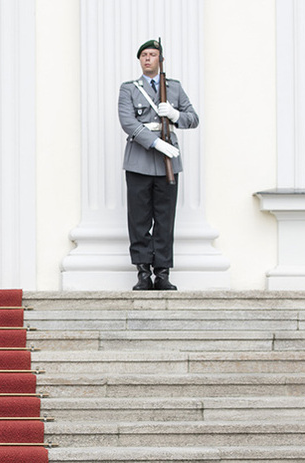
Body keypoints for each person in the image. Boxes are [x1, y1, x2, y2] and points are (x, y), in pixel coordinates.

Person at [118, 39, 199, 291]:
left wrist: (175, 115)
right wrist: (155, 143)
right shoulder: (129, 89)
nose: (148, 58)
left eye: (153, 54)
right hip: (140, 160)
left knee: (165, 219)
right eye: (144, 55)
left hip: (168, 164)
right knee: (139, 219)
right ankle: (143, 272)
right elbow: (127, 122)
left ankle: (162, 272)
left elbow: (192, 118)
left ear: (160, 60)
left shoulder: (173, 88)